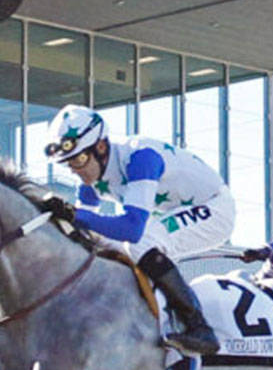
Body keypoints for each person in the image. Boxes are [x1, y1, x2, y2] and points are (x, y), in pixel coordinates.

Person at [41, 104, 235, 355]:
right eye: (68, 164)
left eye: (79, 159)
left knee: (140, 242)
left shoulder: (140, 159)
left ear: (100, 147)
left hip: (214, 208)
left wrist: (75, 215)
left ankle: (200, 327)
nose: (76, 171)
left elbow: (131, 229)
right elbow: (84, 236)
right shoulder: (87, 181)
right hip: (168, 212)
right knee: (109, 245)